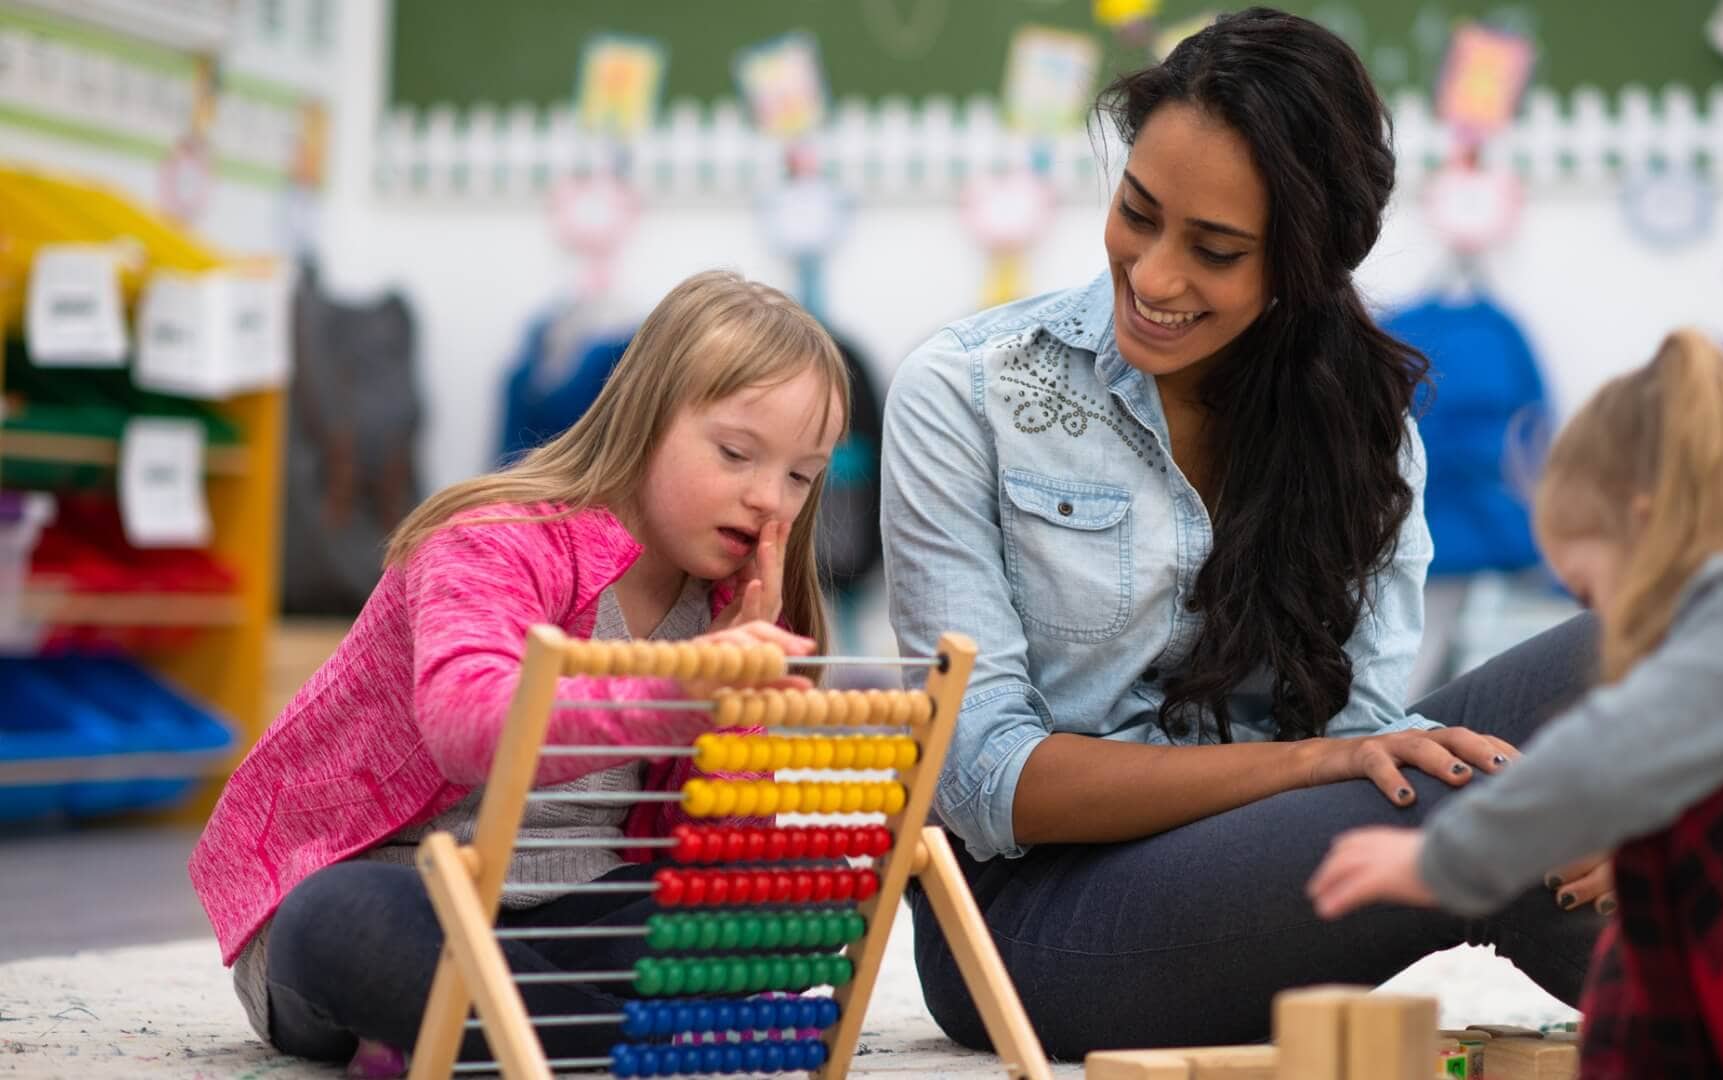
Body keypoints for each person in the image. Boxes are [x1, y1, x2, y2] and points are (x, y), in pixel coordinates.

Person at [880, 8, 1599, 1057]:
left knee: (1618, 650)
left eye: (1215, 251)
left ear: (1300, 270)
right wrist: (1314, 767)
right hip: (1024, 933)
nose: (1157, 275)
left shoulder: (1363, 429)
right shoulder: (968, 392)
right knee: (1473, 802)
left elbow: (1369, 734)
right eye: (1138, 211)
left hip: (1262, 889)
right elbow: (988, 783)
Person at [190, 270, 845, 1073]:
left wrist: (736, 717)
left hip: (571, 921)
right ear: (645, 417)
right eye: (737, 454)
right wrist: (681, 698)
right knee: (338, 920)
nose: (769, 499)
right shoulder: (492, 538)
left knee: (806, 898)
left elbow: (710, 855)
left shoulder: (731, 612)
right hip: (408, 892)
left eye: (801, 476)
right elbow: (470, 728)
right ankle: (619, 1046)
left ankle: (496, 1036)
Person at [1310, 330, 1723, 1080]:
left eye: (1594, 590)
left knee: (1670, 837)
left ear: (1647, 520)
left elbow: (1617, 744)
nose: (1604, 618)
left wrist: (1443, 860)